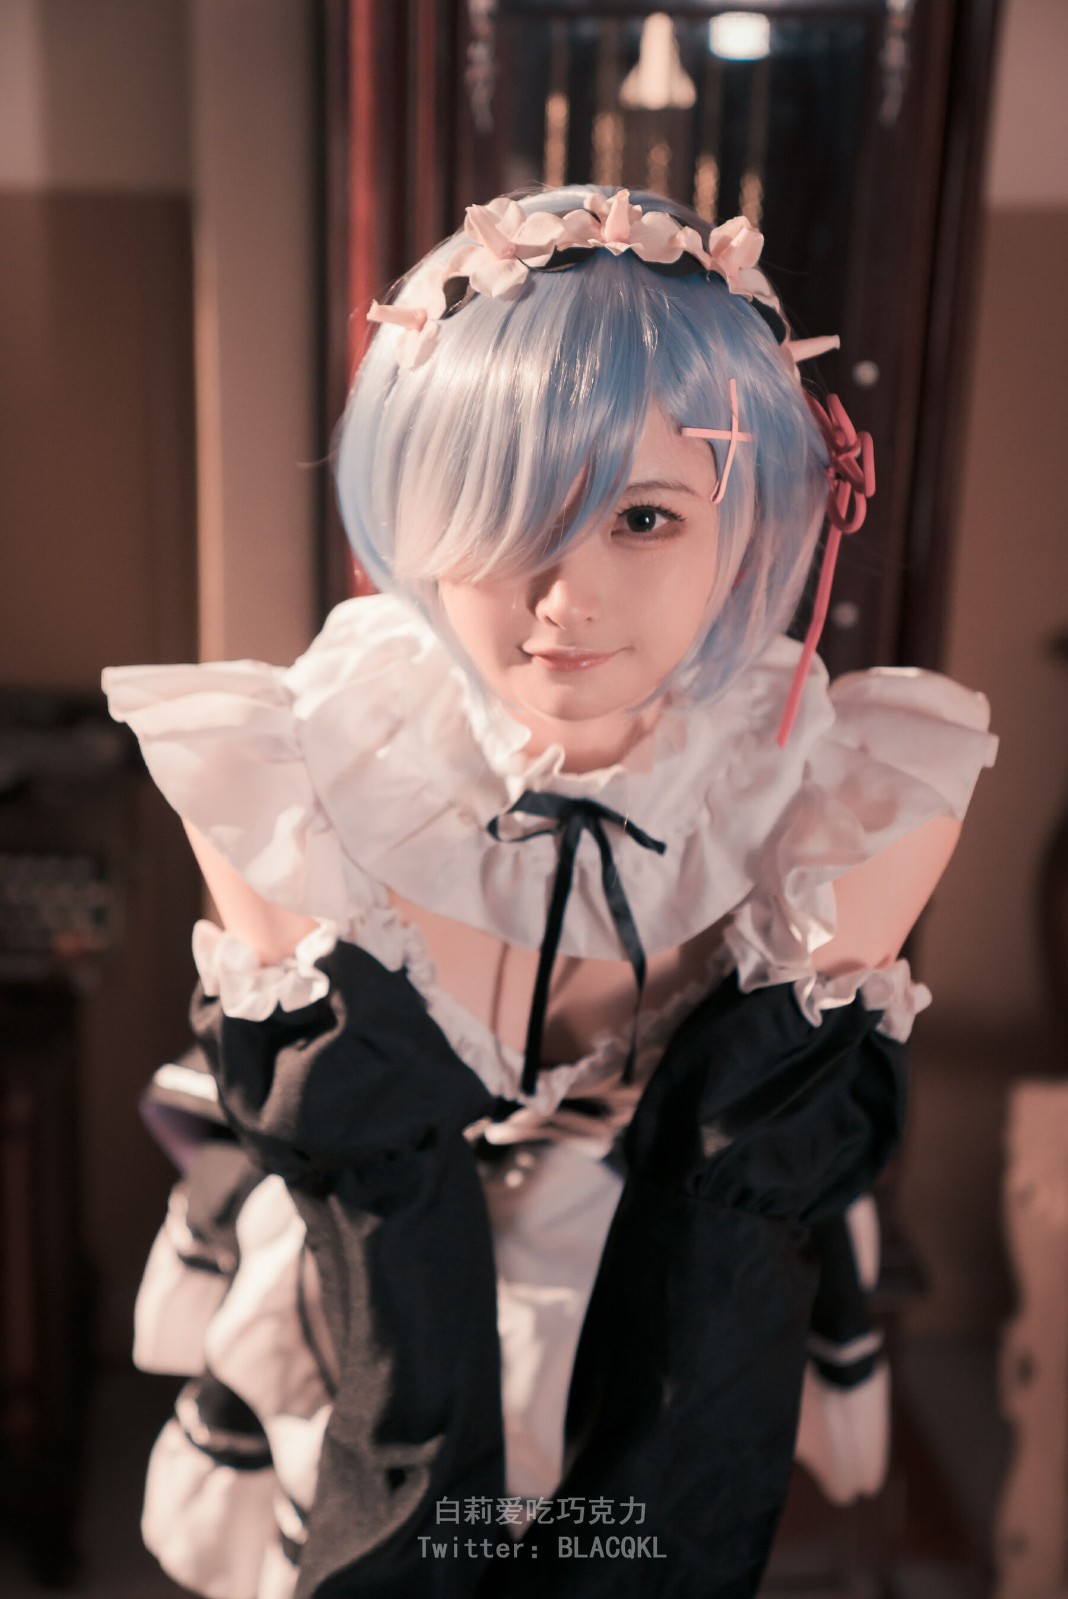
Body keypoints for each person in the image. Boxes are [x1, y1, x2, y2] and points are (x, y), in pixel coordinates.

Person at [103, 186, 997, 1599]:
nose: (566, 600)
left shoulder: (842, 796)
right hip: (373, 1338)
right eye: (510, 513)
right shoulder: (287, 769)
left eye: (643, 516)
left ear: (752, 516)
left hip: (656, 1335)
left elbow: (723, 1259)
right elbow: (377, 1242)